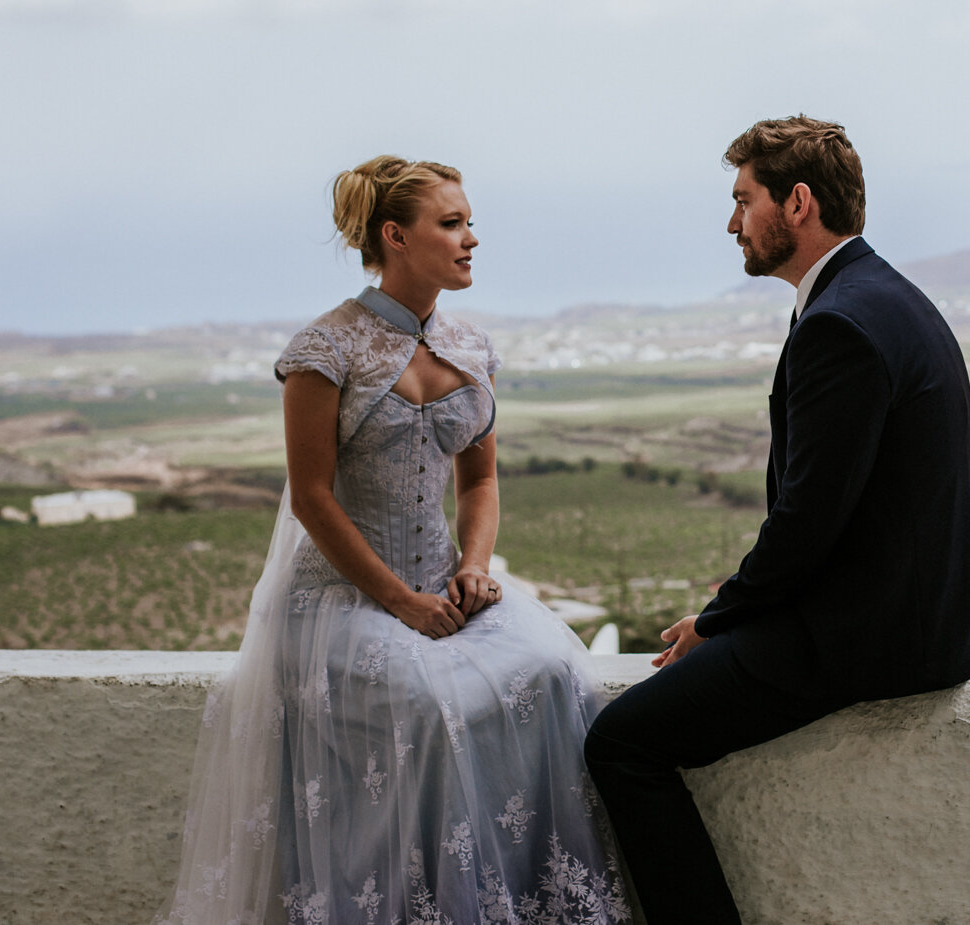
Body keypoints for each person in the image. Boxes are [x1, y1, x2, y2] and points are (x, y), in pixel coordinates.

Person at [159, 156, 628, 925]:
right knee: (432, 705)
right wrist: (401, 601)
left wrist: (473, 568)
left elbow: (479, 484)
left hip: (442, 585)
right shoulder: (325, 350)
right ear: (395, 236)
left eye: (469, 221)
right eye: (453, 223)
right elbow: (311, 498)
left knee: (553, 668)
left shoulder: (471, 348)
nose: (472, 238)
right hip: (340, 601)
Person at [583, 116, 970, 924]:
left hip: (873, 634)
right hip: (919, 616)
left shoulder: (839, 323)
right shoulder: (883, 293)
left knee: (621, 741)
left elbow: (809, 517)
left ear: (798, 202)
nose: (732, 222)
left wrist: (719, 618)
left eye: (744, 200)